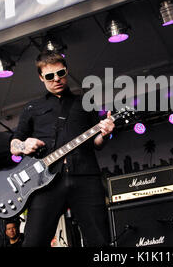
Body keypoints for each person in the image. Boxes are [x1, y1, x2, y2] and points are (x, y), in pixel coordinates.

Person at [10, 50, 115, 247]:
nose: (56, 79)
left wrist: (105, 133)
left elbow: (97, 144)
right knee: (33, 243)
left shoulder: (85, 102)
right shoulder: (32, 108)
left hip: (85, 177)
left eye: (61, 73)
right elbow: (13, 146)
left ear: (66, 71)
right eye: (50, 76)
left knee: (99, 241)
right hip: (45, 183)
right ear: (41, 77)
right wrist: (24, 145)